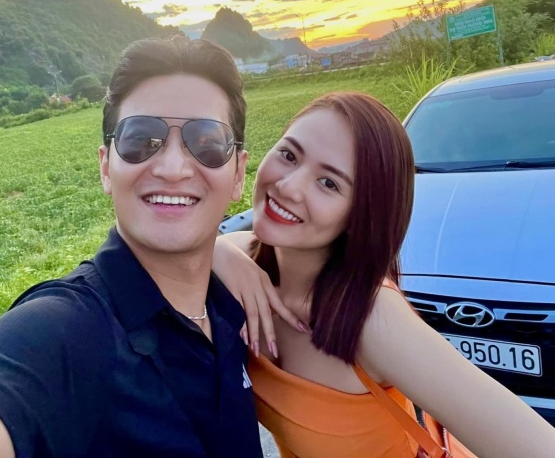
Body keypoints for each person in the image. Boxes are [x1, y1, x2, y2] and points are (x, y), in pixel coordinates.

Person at [0, 36, 263, 458]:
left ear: (238, 174)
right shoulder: (64, 333)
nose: (173, 168)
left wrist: (225, 251)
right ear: (106, 167)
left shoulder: (231, 304)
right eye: (141, 140)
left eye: (207, 143)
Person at [211, 91, 555, 458]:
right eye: (289, 155)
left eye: (329, 183)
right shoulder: (243, 259)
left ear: (360, 214)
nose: (288, 186)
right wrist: (215, 251)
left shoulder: (371, 319)